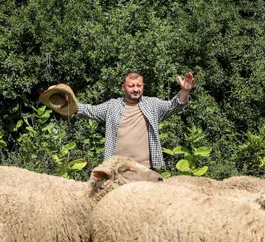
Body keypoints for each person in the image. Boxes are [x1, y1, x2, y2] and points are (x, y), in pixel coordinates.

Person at [66, 70, 195, 170]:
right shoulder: (112, 106)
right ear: (123, 87)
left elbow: (174, 105)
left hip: (145, 169)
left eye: (139, 85)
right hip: (117, 169)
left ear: (143, 86)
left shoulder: (152, 104)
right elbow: (90, 110)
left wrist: (184, 91)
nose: (136, 89)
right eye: (131, 85)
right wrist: (69, 105)